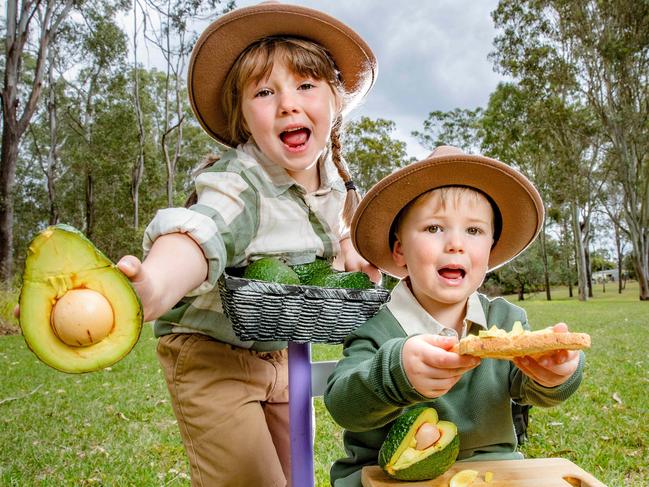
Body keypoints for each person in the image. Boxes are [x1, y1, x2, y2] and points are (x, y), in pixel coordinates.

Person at [115, 3, 380, 486]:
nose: (288, 104)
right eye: (264, 92)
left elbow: (333, 231)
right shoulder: (242, 182)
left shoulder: (332, 181)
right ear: (243, 117)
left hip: (282, 351)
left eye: (306, 85)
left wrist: (351, 250)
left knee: (297, 475)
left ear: (335, 102)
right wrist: (156, 283)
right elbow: (203, 232)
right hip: (212, 354)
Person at [324, 146, 585, 487]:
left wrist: (556, 374)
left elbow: (533, 390)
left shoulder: (505, 320)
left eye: (474, 231)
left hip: (493, 472)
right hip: (389, 476)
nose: (455, 245)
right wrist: (396, 373)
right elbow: (344, 406)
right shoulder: (375, 325)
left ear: (490, 251)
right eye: (434, 228)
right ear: (400, 249)